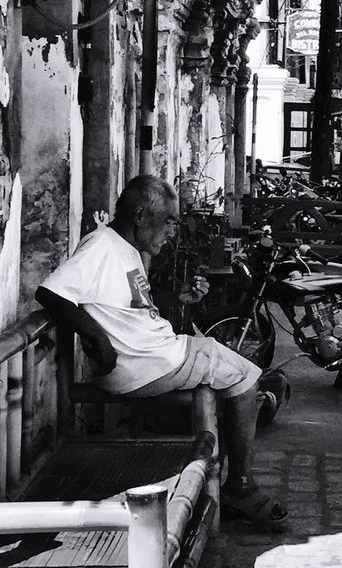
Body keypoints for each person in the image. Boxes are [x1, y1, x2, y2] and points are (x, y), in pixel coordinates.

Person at [35, 175, 287, 531]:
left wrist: (175, 299)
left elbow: (134, 311)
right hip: (144, 365)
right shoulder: (100, 247)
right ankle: (239, 487)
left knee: (233, 373)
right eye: (168, 221)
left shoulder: (126, 250)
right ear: (140, 215)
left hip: (155, 356)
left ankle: (224, 484)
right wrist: (98, 340)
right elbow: (50, 293)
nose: (173, 231)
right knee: (247, 378)